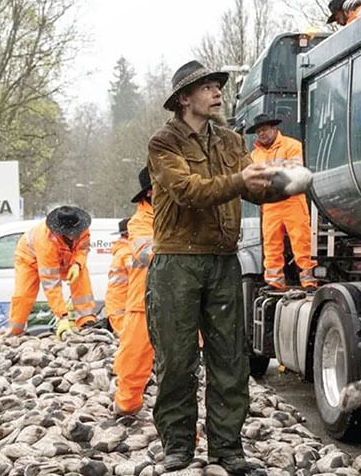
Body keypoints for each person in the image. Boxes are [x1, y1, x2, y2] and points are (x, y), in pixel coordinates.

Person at [147, 60, 288, 474]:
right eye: (207, 87)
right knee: (176, 358)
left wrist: (280, 181)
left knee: (230, 358)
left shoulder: (228, 140)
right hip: (177, 262)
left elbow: (253, 188)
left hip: (223, 260)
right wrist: (244, 180)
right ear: (184, 98)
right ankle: (178, 445)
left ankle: (227, 449)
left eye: (217, 86)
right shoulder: (164, 143)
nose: (217, 93)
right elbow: (188, 191)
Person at [248, 113, 318, 289]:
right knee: (271, 244)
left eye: (264, 130)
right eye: (258, 131)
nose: (261, 134)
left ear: (274, 128)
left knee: (301, 242)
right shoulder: (254, 155)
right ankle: (274, 281)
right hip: (270, 205)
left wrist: (268, 178)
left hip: (292, 201)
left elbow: (297, 173)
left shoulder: (292, 145)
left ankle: (309, 280)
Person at [7, 206, 97, 339]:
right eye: (71, 233)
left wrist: (77, 264)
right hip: (29, 259)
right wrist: (63, 316)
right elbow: (51, 284)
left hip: (65, 257)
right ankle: (15, 332)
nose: (75, 235)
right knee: (23, 295)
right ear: (60, 231)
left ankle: (86, 321)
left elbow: (83, 247)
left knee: (82, 277)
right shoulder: (45, 241)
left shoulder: (81, 226)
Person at [113, 167, 154, 416]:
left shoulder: (181, 212)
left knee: (182, 367)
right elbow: (147, 253)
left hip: (180, 298)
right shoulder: (139, 221)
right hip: (143, 300)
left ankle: (183, 429)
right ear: (150, 192)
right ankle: (127, 406)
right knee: (133, 359)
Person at [105, 218, 131, 336]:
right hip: (122, 307)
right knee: (128, 339)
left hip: (118, 306)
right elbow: (139, 272)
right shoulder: (127, 253)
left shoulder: (123, 251)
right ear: (128, 233)